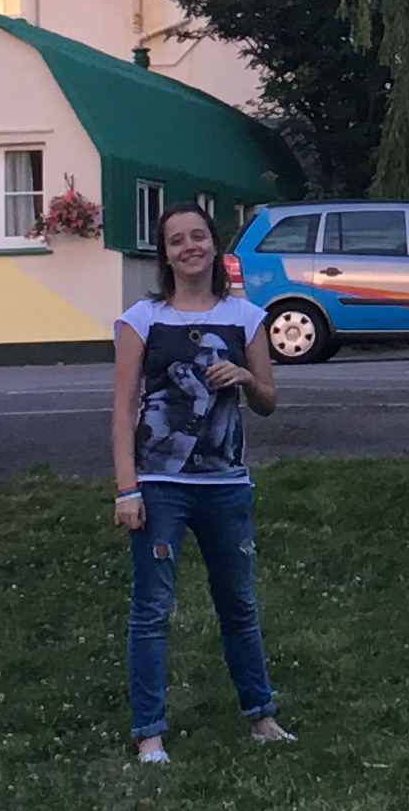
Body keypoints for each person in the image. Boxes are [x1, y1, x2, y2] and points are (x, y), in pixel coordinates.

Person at [117, 199, 289, 765]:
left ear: (214, 244)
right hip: (158, 485)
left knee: (238, 604)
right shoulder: (141, 320)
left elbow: (267, 401)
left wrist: (245, 377)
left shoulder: (246, 317)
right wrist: (127, 488)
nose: (189, 247)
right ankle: (150, 734)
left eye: (198, 236)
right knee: (152, 611)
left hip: (226, 485)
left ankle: (261, 715)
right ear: (164, 255)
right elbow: (122, 410)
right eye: (176, 240)